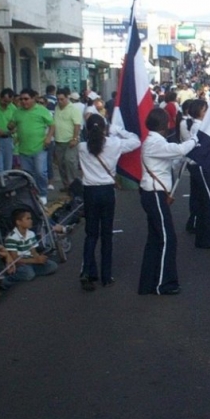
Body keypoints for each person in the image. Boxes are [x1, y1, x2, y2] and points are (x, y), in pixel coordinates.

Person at [139, 107, 198, 296]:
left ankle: (148, 282)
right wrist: (195, 140)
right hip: (155, 194)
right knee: (167, 238)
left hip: (154, 193)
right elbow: (178, 149)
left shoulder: (155, 142)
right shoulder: (154, 143)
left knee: (155, 239)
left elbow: (171, 161)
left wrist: (182, 160)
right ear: (164, 125)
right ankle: (163, 283)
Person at [78, 113, 141, 291]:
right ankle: (106, 276)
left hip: (89, 192)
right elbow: (136, 140)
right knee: (107, 234)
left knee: (91, 234)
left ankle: (87, 271)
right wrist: (116, 129)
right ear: (105, 128)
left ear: (87, 129)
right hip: (107, 191)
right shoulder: (114, 144)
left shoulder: (82, 147)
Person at [181, 100, 210, 249]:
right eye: (205, 110)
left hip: (197, 166)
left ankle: (200, 232)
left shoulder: (196, 125)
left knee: (200, 200)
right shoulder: (199, 126)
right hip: (199, 166)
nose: (207, 112)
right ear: (198, 111)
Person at [10, 89, 55, 204]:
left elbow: (52, 125)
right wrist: (11, 126)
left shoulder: (41, 110)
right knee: (28, 174)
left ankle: (43, 193)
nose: (23, 102)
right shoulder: (17, 112)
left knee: (40, 172)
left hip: (39, 147)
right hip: (24, 149)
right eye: (21, 99)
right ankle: (32, 194)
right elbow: (12, 124)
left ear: (33, 99)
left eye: (26, 99)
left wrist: (49, 137)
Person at [2, 208, 58, 283]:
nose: (31, 221)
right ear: (18, 222)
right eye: (27, 219)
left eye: (30, 218)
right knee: (28, 273)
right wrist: (35, 261)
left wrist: (39, 258)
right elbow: (15, 259)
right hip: (21, 264)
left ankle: (31, 272)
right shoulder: (11, 238)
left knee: (52, 266)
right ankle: (7, 280)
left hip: (31, 261)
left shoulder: (31, 233)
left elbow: (33, 252)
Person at [52, 88, 82, 193]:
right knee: (61, 165)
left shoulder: (73, 109)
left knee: (70, 162)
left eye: (62, 99)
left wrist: (74, 138)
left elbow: (77, 125)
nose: (60, 101)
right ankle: (66, 185)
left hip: (70, 141)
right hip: (58, 141)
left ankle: (74, 185)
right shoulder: (56, 108)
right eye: (58, 99)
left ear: (67, 98)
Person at [0, 89, 17, 173]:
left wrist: (10, 130)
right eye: (4, 101)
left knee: (8, 167)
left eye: (9, 102)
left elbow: (17, 125)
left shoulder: (13, 108)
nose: (6, 104)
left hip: (8, 139)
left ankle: (6, 185)